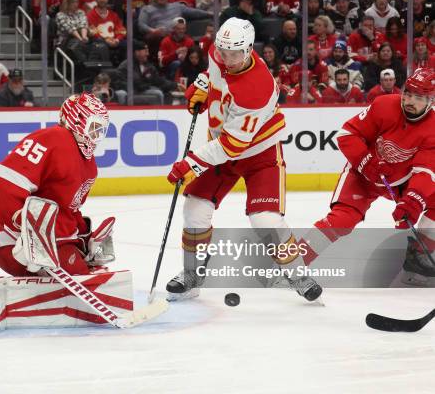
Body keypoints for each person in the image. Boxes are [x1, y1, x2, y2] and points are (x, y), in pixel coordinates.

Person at [165, 17, 322, 302]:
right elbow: (212, 70)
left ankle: (297, 274)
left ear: (249, 50)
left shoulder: (256, 87)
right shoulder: (220, 52)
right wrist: (202, 86)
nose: (226, 59)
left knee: (265, 219)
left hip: (259, 153)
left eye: (233, 54)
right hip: (222, 147)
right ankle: (193, 272)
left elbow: (232, 146)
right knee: (195, 208)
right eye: (223, 52)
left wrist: (191, 162)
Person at [296, 68, 435, 287]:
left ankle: (417, 259)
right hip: (362, 174)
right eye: (408, 93)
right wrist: (366, 162)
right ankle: (292, 262)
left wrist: (412, 202)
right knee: (342, 220)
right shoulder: (384, 105)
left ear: (431, 101)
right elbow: (347, 134)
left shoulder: (433, 127)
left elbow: (426, 171)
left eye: (418, 97)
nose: (409, 100)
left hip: (400, 181)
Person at [0, 92, 114, 277]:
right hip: (15, 242)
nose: (97, 134)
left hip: (53, 240)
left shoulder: (89, 164)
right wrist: (22, 224)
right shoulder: (54, 138)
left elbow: (69, 210)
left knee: (86, 268)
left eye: (101, 129)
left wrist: (85, 240)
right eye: (94, 127)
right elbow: (5, 178)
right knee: (79, 274)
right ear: (77, 121)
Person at [114, 40, 185, 105]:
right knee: (158, 93)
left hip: (142, 89)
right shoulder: (127, 65)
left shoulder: (148, 65)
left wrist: (175, 85)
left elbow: (158, 80)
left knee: (167, 93)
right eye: (145, 51)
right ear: (137, 52)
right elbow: (137, 83)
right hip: (129, 90)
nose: (147, 54)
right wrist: (149, 83)